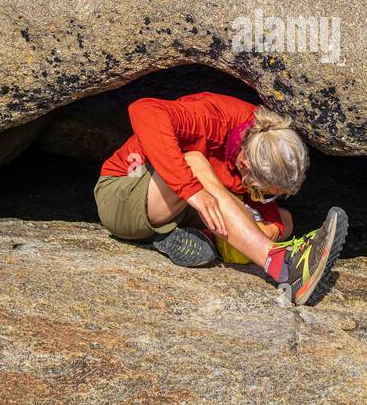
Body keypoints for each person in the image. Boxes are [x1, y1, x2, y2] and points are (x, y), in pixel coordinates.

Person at [94, 91, 346, 306]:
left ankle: (186, 237)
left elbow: (258, 204)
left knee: (285, 219)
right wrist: (191, 190)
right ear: (245, 164)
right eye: (259, 191)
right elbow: (143, 109)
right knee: (194, 161)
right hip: (123, 194)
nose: (259, 197)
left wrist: (271, 227)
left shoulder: (261, 142)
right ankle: (282, 265)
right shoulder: (211, 118)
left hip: (176, 205)